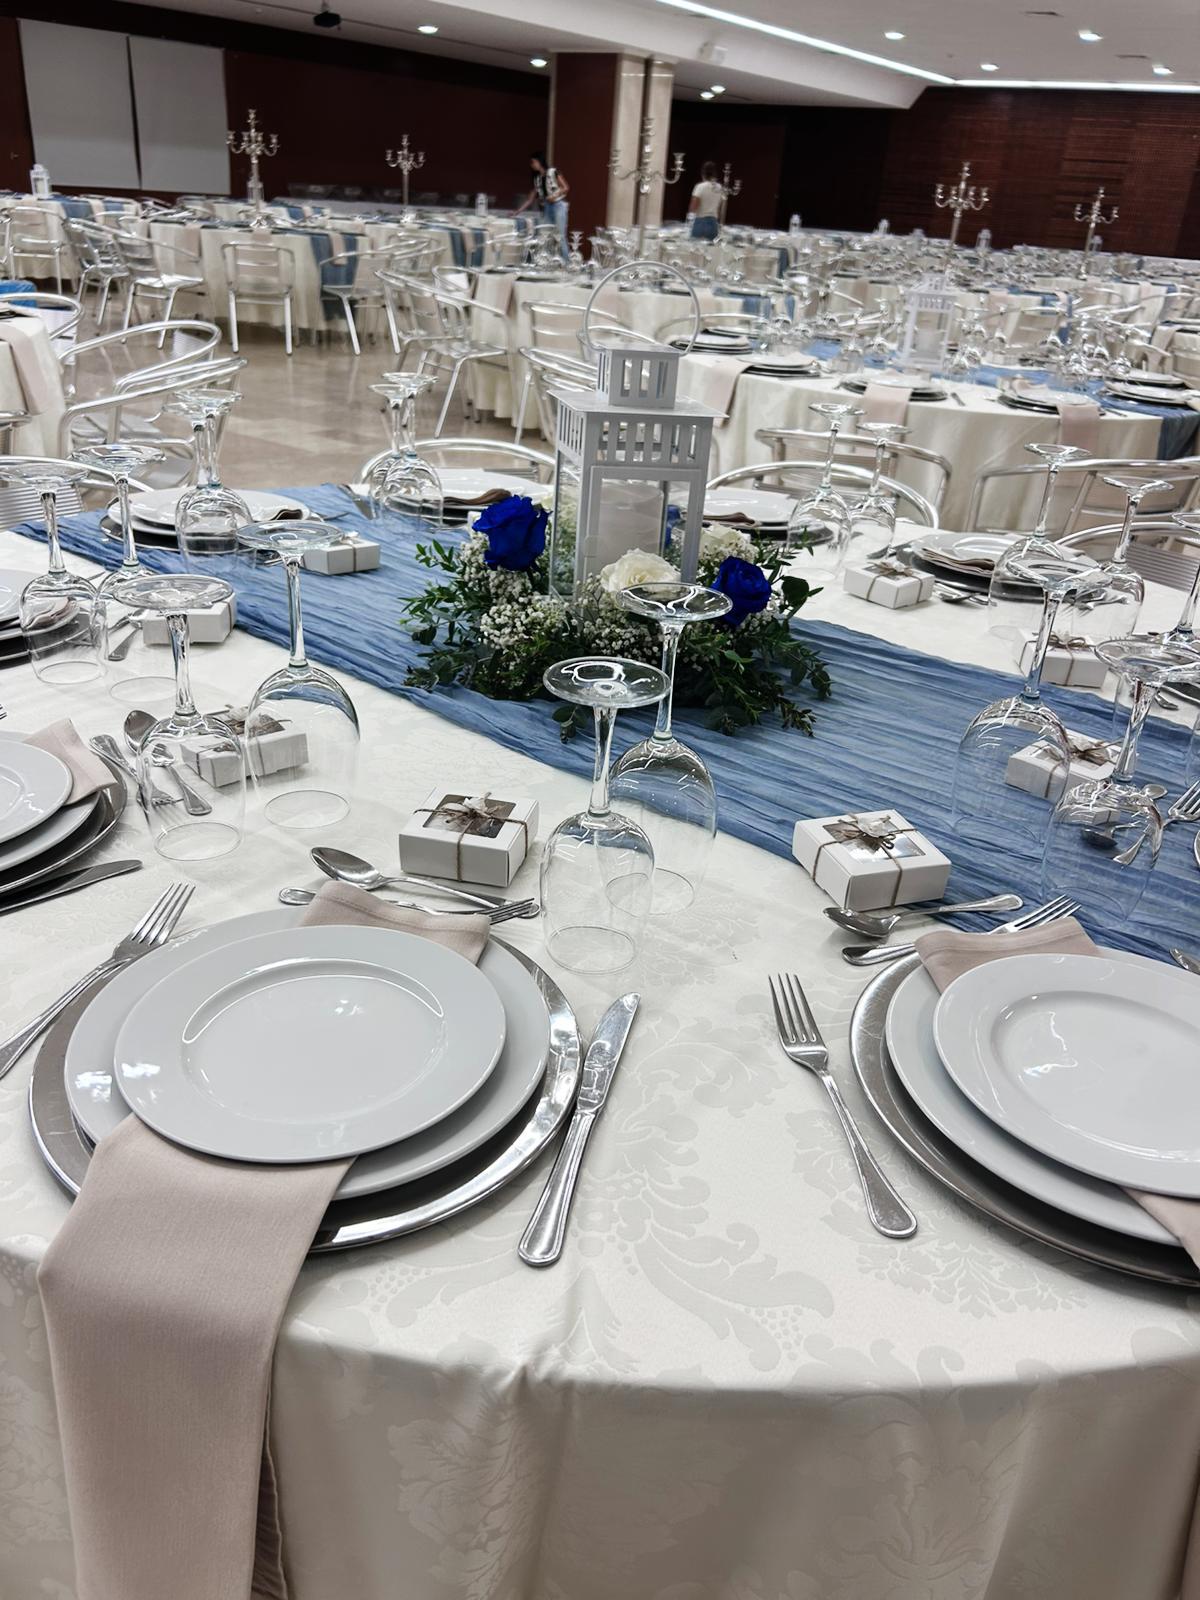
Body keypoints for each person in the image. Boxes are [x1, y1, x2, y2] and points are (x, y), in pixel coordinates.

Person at [516, 151, 569, 258]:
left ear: (539, 161)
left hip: (558, 205)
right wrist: (518, 211)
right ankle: (547, 260)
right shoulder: (537, 179)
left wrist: (554, 196)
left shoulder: (553, 172)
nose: (532, 165)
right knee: (545, 236)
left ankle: (566, 262)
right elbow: (530, 199)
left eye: (533, 162)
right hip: (547, 207)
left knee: (560, 236)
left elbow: (565, 187)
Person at [688, 162, 724, 242]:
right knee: (711, 247)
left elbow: (694, 205)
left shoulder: (700, 187)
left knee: (696, 247)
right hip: (714, 222)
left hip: (700, 221)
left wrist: (689, 220)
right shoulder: (719, 187)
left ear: (703, 173)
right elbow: (719, 206)